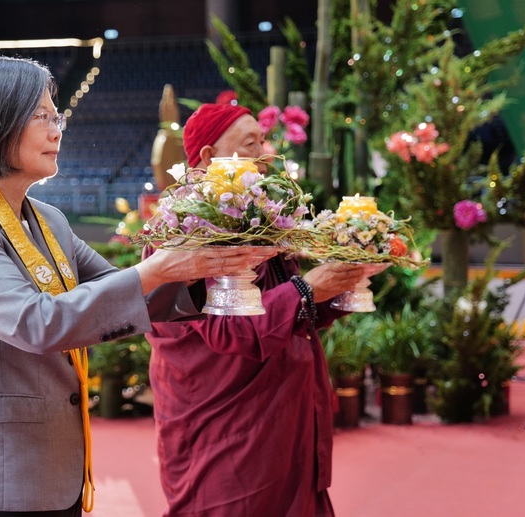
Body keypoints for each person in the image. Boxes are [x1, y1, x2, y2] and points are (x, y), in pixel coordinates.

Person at [0, 56, 275, 516]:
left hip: (54, 466)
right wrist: (160, 267)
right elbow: (36, 323)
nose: (56, 132)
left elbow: (121, 294)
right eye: (42, 117)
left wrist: (204, 267)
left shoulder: (48, 220)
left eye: (57, 118)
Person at [145, 103, 374, 516]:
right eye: (251, 143)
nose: (266, 154)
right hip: (228, 429)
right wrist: (308, 288)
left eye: (264, 140)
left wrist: (340, 284)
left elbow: (290, 311)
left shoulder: (253, 217)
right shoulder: (186, 228)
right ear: (209, 157)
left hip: (282, 416)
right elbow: (232, 331)